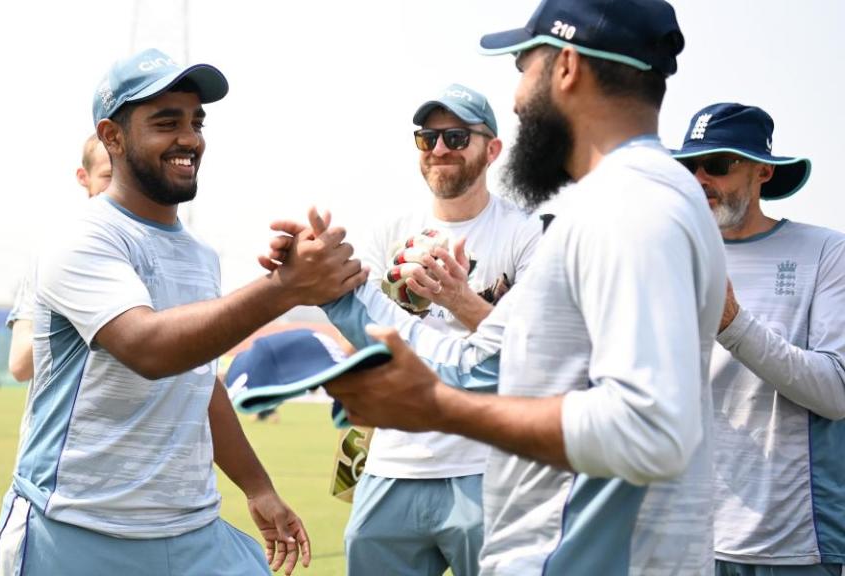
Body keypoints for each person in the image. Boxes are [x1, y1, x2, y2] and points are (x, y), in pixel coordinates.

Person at [321, 0, 728, 573]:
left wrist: (442, 411)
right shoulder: (611, 205)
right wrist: (338, 291)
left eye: (522, 65)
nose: (516, 98)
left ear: (564, 67)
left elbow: (650, 428)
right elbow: (479, 365)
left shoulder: (632, 208)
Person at [0, 48, 365, 576]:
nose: (189, 138)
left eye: (196, 122)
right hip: (74, 530)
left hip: (190, 534)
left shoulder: (198, 254)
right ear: (112, 137)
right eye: (167, 122)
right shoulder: (82, 238)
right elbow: (149, 348)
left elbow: (197, 380)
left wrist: (257, 488)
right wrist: (285, 287)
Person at [339, 84, 541, 576]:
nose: (439, 150)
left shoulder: (526, 232)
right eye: (427, 138)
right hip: (393, 462)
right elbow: (356, 338)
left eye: (456, 137)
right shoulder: (390, 230)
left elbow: (534, 354)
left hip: (485, 465)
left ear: (492, 149)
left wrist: (458, 297)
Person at [671, 103, 845, 576]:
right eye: (689, 166)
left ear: (763, 170)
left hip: (797, 546)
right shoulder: (670, 257)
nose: (701, 178)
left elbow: (835, 393)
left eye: (719, 165)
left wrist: (733, 324)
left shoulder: (826, 252)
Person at [6, 134, 112, 383]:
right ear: (83, 177)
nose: (118, 186)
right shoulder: (54, 251)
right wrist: (81, 303)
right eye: (108, 176)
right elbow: (20, 365)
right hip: (64, 421)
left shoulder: (162, 252)